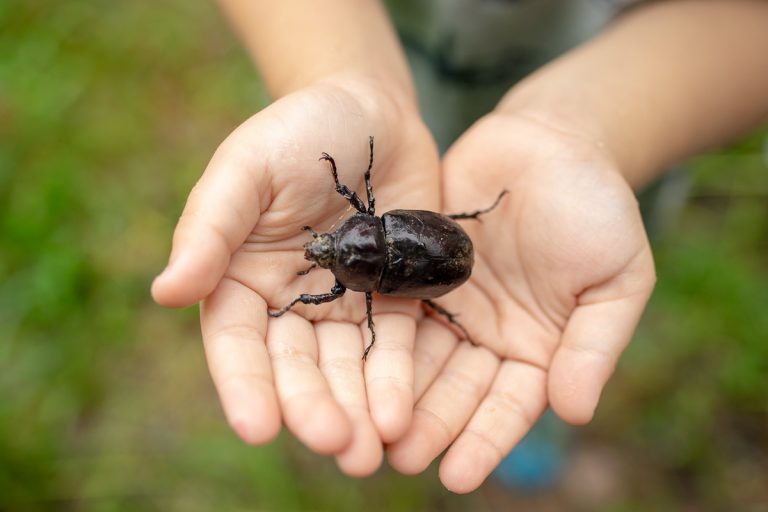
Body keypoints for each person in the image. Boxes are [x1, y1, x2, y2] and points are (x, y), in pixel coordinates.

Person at [151, 0, 768, 494]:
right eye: (333, 248)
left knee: (512, 332)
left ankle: (537, 432)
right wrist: (344, 82)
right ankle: (536, 432)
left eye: (333, 244)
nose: (328, 246)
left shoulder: (364, 275)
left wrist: (293, 304)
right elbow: (354, 201)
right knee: (488, 313)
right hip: (439, 224)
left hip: (457, 243)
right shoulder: (367, 238)